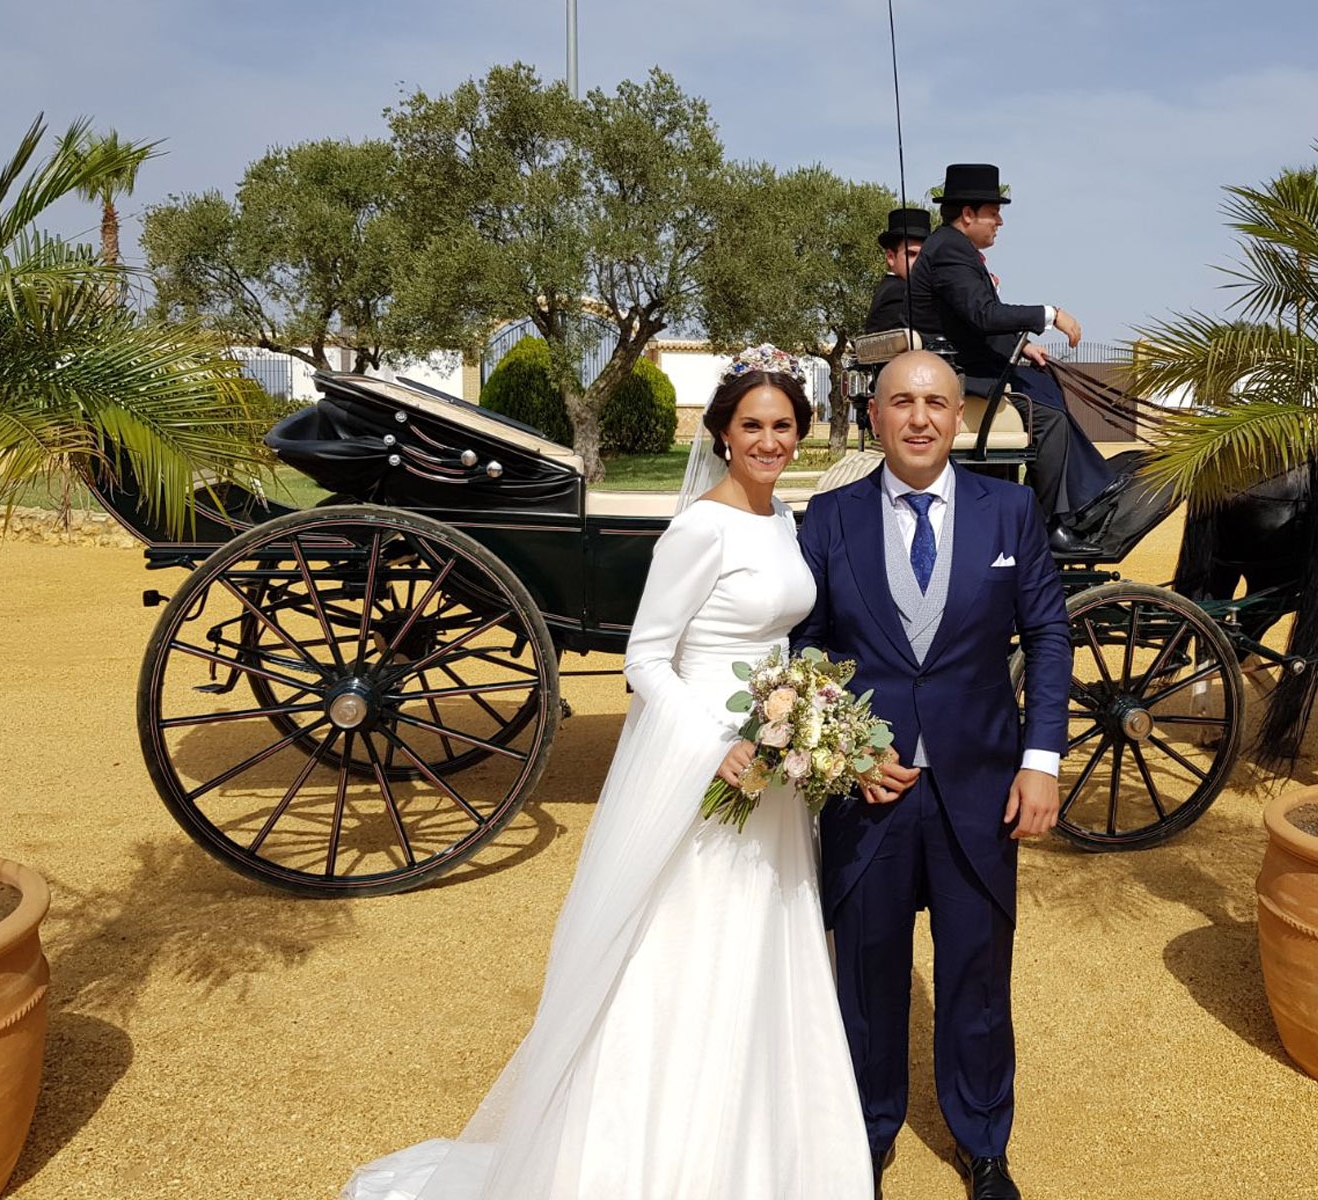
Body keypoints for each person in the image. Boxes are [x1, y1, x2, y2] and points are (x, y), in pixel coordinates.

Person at [342, 345, 876, 1200]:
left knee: (762, 936)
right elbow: (646, 660)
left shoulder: (783, 523)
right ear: (723, 434)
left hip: (773, 766)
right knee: (683, 945)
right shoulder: (701, 527)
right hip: (706, 759)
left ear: (800, 432)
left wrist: (802, 719)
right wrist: (718, 742)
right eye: (752, 426)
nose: (769, 441)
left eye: (783, 425)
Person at [793, 350, 1072, 1200]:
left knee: (978, 975)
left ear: (959, 415)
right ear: (873, 417)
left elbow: (1050, 637)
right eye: (901, 402)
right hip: (866, 792)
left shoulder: (1010, 510)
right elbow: (800, 650)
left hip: (983, 789)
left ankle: (984, 1143)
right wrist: (842, 747)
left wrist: (1040, 761)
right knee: (868, 976)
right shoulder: (828, 517)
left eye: (937, 403)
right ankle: (866, 1139)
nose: (919, 418)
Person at [909, 162, 1116, 555]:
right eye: (994, 211)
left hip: (965, 364)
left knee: (1044, 385)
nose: (1000, 221)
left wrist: (1022, 347)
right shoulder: (952, 252)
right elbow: (984, 314)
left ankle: (1087, 492)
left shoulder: (949, 248)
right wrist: (1050, 315)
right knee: (1050, 419)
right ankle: (1047, 527)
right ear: (968, 214)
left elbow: (967, 319)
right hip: (958, 375)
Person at [863, 206, 932, 333]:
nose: (919, 262)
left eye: (924, 256)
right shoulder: (899, 292)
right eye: (911, 254)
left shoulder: (890, 288)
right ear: (890, 257)